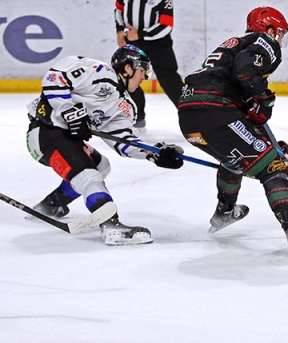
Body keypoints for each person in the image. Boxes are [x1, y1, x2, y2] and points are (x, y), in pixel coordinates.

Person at [177, 6, 288, 258]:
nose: (280, 40)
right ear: (269, 29)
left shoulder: (235, 44)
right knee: (273, 168)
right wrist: (264, 97)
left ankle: (225, 211)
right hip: (216, 110)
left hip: (189, 117)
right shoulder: (264, 41)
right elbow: (245, 70)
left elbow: (238, 93)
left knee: (235, 159)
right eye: (279, 33)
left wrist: (268, 142)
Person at [25, 45, 185, 245]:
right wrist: (71, 112)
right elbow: (55, 78)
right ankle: (111, 225)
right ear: (128, 68)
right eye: (143, 71)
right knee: (88, 175)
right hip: (44, 133)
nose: (145, 78)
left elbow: (122, 141)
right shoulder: (97, 71)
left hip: (67, 139)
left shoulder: (125, 106)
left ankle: (51, 205)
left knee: (102, 166)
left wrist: (153, 153)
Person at [114, 0, 184, 130]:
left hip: (159, 44)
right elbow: (119, 9)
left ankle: (191, 115)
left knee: (170, 80)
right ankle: (137, 119)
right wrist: (120, 30)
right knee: (129, 78)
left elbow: (166, 24)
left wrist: (141, 34)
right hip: (133, 43)